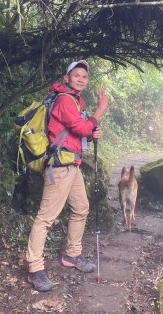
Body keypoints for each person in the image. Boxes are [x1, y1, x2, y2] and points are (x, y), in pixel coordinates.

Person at [26, 60, 109, 292]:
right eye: (76, 75)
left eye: (84, 76)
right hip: (60, 167)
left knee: (81, 207)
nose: (81, 79)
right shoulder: (64, 99)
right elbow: (80, 128)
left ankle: (72, 255)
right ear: (67, 78)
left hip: (73, 164)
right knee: (45, 218)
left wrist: (93, 134)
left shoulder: (75, 101)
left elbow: (79, 133)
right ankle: (34, 268)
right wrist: (100, 109)